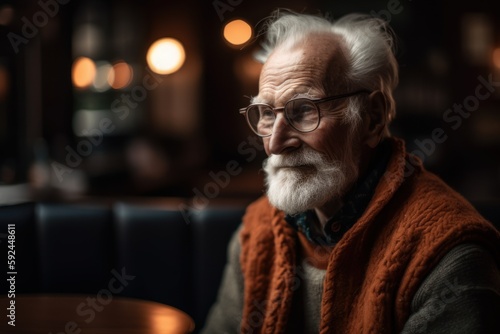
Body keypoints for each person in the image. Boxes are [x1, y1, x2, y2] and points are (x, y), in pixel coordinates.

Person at [202, 10, 500, 334]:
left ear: (372, 118)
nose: (274, 144)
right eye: (266, 114)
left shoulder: (447, 254)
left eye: (303, 110)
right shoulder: (257, 232)